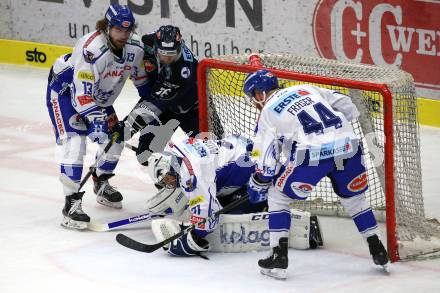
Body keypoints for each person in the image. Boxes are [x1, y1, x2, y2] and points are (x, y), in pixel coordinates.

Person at [243, 69, 389, 279]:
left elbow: (267, 164)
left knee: (277, 195)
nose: (255, 102)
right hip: (348, 146)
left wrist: (258, 182)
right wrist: (330, 133)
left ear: (259, 94)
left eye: (253, 96)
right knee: (354, 198)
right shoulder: (306, 88)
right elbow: (348, 105)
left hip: (312, 156)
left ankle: (278, 256)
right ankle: (378, 248)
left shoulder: (267, 112)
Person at [46, 4, 150, 230]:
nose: (123, 35)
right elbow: (81, 95)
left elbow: (143, 86)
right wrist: (96, 121)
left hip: (100, 99)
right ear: (107, 28)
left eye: (128, 30)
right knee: (75, 144)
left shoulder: (136, 48)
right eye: (118, 30)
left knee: (116, 140)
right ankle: (70, 205)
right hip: (65, 93)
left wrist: (154, 108)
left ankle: (101, 183)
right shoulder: (91, 48)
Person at [143, 127, 323, 257]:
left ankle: (296, 223)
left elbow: (208, 216)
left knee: (228, 214)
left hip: (256, 170)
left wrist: (193, 238)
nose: (169, 183)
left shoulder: (190, 173)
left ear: (170, 166)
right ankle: (265, 199)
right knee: (215, 194)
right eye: (164, 182)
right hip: (249, 152)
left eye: (167, 178)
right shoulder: (175, 148)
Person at [112, 25, 200, 165]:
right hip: (167, 111)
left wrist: (127, 127)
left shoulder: (183, 70)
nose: (166, 58)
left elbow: (155, 103)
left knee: (213, 153)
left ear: (180, 46)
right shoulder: (147, 42)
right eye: (163, 53)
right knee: (145, 155)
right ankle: (171, 182)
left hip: (194, 109)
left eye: (171, 54)